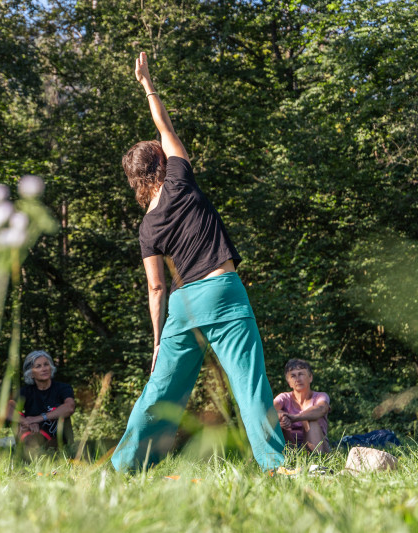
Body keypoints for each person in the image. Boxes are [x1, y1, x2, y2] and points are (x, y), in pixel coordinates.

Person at [111, 52, 286, 473]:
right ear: (161, 162)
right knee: (249, 383)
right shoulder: (180, 179)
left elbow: (156, 288)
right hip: (222, 292)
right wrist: (146, 81)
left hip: (182, 305)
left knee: (159, 392)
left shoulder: (146, 227)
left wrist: (157, 343)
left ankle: (120, 468)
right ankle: (274, 464)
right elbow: (164, 126)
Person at [7, 350, 75, 447]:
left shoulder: (63, 388)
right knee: (17, 420)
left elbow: (69, 407)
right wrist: (26, 421)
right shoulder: (25, 392)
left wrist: (37, 419)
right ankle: (24, 448)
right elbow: (6, 409)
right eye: (38, 366)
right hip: (35, 435)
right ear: (30, 373)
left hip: (60, 441)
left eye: (46, 364)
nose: (44, 369)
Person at [274, 359, 330, 453]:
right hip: (290, 445)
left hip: (317, 446)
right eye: (293, 376)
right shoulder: (283, 397)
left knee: (310, 421)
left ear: (310, 377)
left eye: (301, 374)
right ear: (289, 382)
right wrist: (282, 415)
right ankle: (285, 459)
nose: (297, 379)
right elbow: (270, 410)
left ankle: (317, 460)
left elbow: (322, 408)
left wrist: (294, 418)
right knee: (278, 421)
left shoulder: (320, 396)